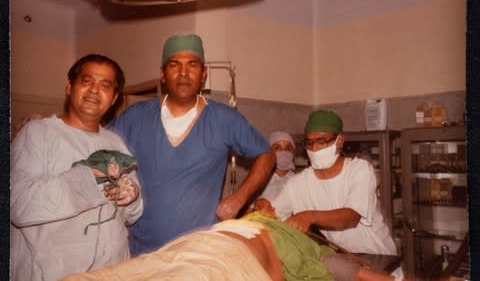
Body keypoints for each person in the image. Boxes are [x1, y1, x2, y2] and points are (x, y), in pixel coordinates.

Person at [108, 33, 276, 256]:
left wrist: (238, 199)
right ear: (163, 74)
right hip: (142, 252)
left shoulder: (224, 119)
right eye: (174, 64)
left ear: (204, 73)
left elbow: (267, 154)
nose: (183, 73)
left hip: (198, 253)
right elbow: (99, 148)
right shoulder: (135, 117)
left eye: (192, 65)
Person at [10, 54, 144, 281]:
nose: (94, 90)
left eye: (105, 85)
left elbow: (131, 215)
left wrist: (132, 198)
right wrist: (89, 177)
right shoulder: (38, 133)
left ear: (114, 99)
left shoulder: (116, 143)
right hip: (55, 273)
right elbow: (18, 206)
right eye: (87, 81)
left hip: (112, 270)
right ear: (69, 87)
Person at [61, 211, 398, 281]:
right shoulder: (253, 219)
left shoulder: (318, 252)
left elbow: (364, 276)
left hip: (231, 263)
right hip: (199, 243)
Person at [254, 110, 397, 257]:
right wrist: (262, 208)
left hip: (378, 255)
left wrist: (310, 216)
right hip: (345, 258)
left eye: (321, 141)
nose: (314, 148)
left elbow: (351, 216)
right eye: (309, 142)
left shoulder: (359, 170)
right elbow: (272, 216)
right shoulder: (299, 183)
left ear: (339, 141)